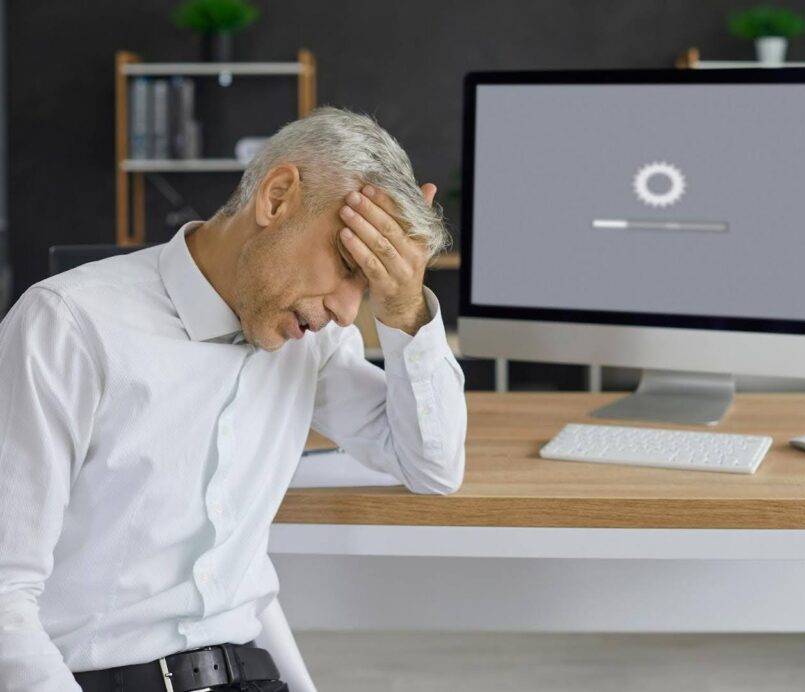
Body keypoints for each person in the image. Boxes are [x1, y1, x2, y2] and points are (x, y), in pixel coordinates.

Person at [0, 107, 467, 691]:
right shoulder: (68, 326)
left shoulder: (313, 341)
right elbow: (4, 599)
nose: (350, 312)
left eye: (368, 286)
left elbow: (432, 464)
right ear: (276, 198)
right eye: (348, 265)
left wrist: (403, 309)